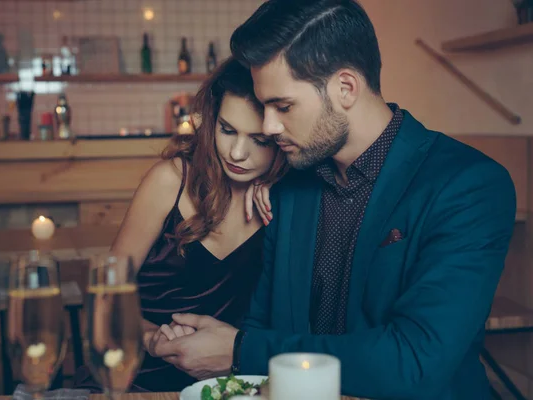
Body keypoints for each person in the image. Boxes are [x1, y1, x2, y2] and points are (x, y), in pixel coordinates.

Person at [150, 1, 517, 398]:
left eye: (283, 106)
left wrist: (240, 350)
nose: (269, 127)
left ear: (345, 88)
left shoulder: (468, 185)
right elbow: (262, 322)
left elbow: (415, 361)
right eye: (264, 106)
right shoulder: (287, 185)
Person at [73, 57, 287, 392]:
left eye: (260, 141)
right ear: (211, 121)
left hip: (227, 387)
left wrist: (280, 183)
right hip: (134, 378)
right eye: (227, 130)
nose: (237, 152)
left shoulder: (287, 198)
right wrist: (150, 338)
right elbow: (103, 300)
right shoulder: (169, 181)